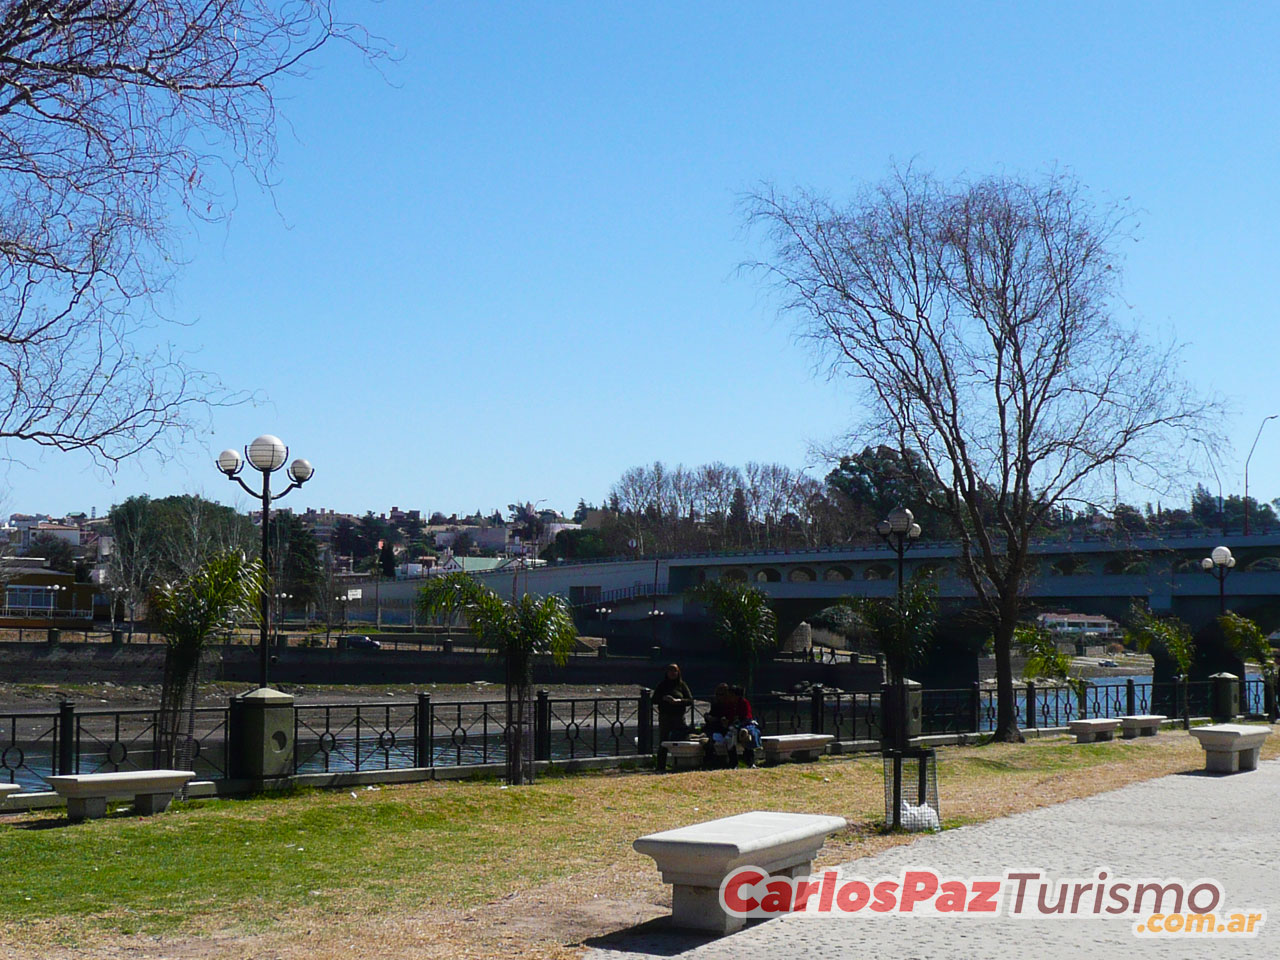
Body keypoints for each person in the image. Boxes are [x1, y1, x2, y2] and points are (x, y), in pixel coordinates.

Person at [653, 663, 694, 770]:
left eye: (675, 671)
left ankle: (681, 763)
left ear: (678, 672)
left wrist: (678, 701)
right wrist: (663, 698)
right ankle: (660, 765)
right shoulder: (662, 685)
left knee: (680, 739)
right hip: (665, 716)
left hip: (678, 716)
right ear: (667, 672)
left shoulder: (682, 685)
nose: (672, 673)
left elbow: (690, 700)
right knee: (663, 741)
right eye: (670, 670)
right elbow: (654, 699)